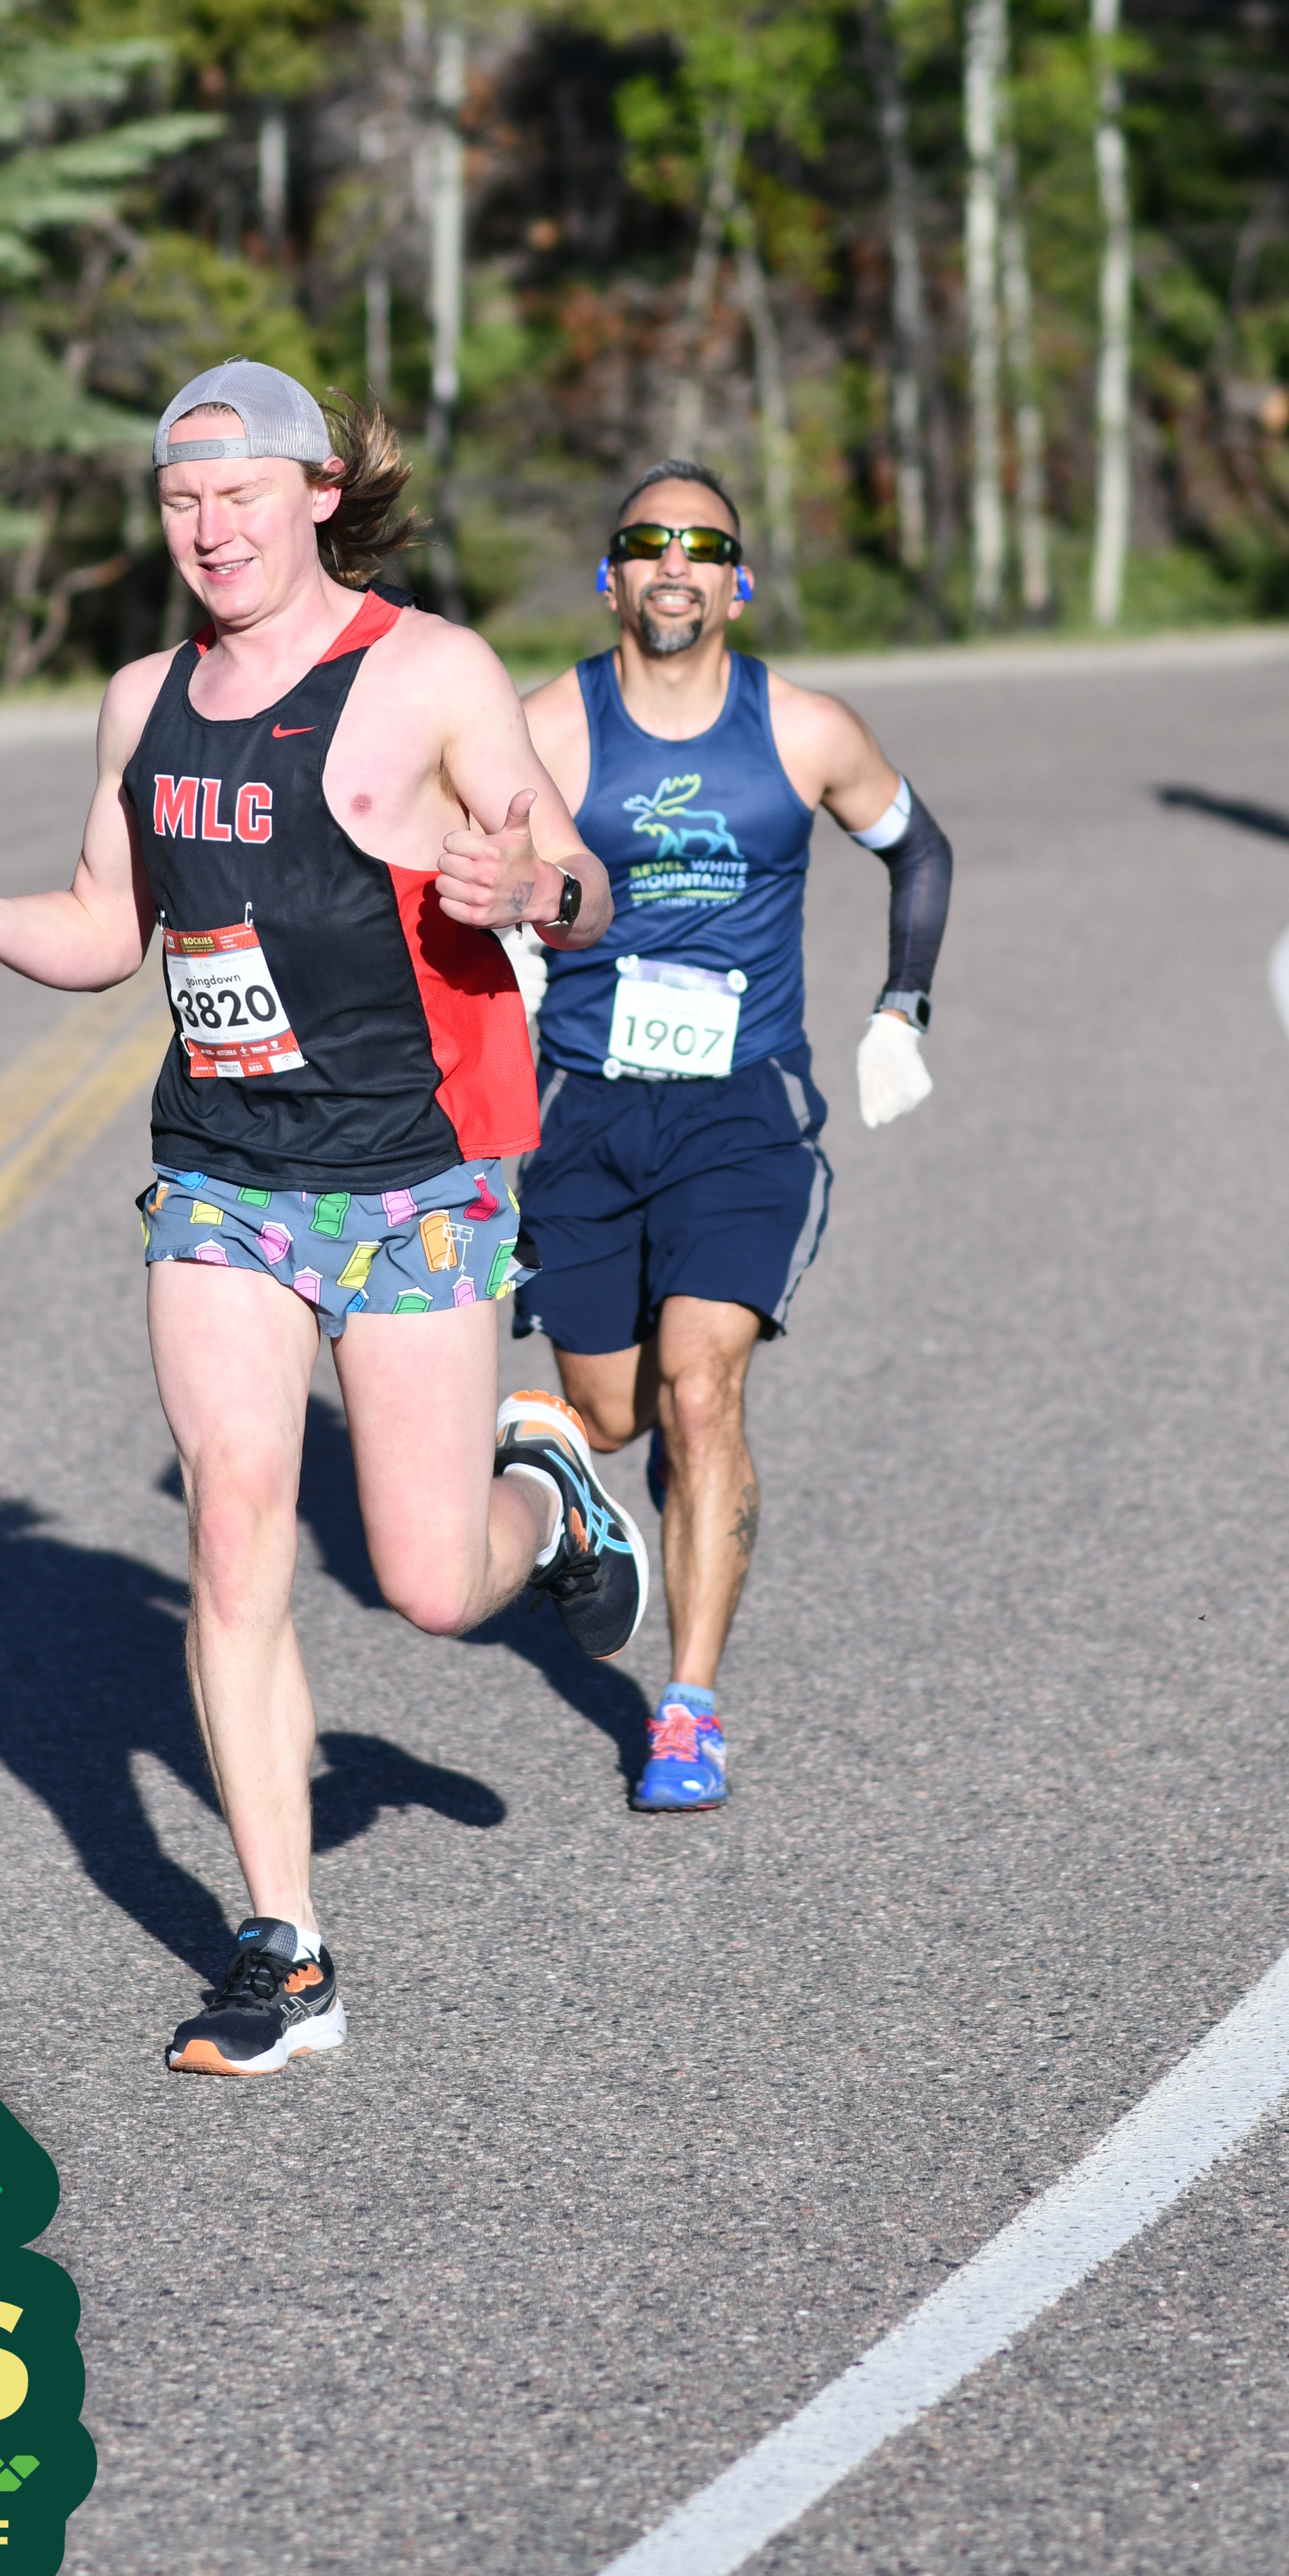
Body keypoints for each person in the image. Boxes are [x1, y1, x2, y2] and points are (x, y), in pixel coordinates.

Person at [0, 363, 642, 2080]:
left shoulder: (430, 672)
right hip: (223, 1176)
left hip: (414, 1173)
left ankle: (545, 1497)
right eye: (179, 501)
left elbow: (584, 886)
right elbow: (112, 930)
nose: (208, 529)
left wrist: (530, 887)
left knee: (429, 1583)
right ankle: (283, 1949)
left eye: (239, 495)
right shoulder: (139, 701)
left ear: (317, 494)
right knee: (233, 1528)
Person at [512, 457, 951, 1811]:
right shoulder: (544, 730)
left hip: (741, 1110)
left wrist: (900, 1008)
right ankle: (574, 1482)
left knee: (702, 1391)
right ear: (610, 577)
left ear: (737, 583)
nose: (673, 563)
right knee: (609, 1412)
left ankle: (686, 1712)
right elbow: (447, 879)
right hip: (579, 1107)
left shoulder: (805, 729)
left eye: (701, 546)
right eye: (647, 541)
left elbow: (919, 849)